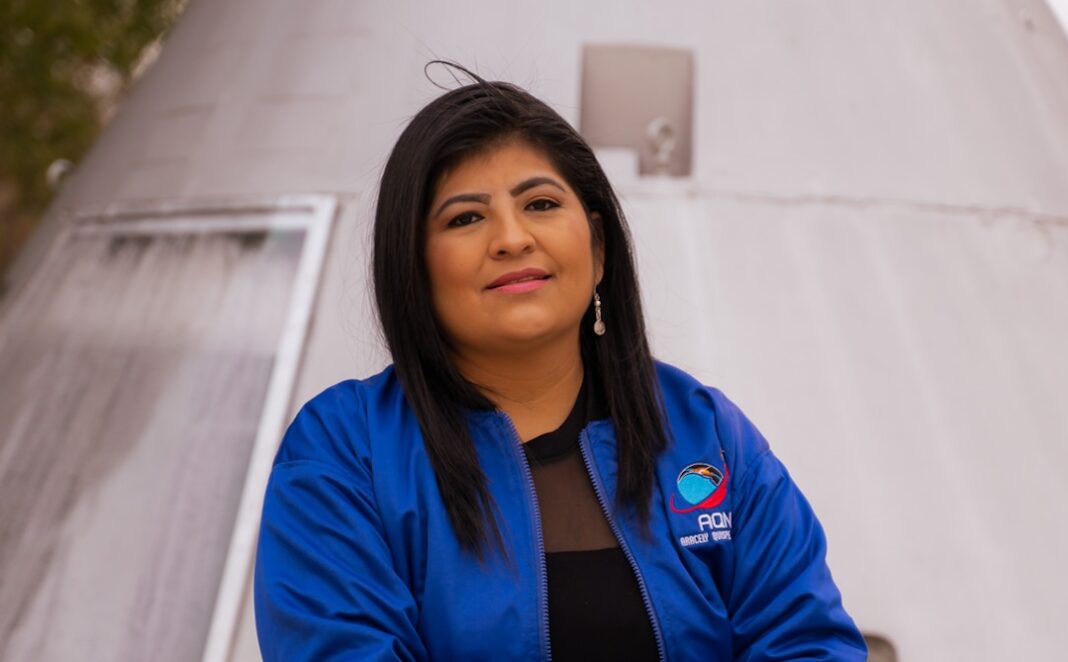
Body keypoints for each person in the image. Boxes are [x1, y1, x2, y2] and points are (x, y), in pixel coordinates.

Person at [253, 66, 867, 661]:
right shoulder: (346, 452)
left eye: (541, 204)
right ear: (413, 269)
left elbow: (807, 643)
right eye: (466, 218)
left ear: (598, 248)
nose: (512, 238)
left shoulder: (705, 433)